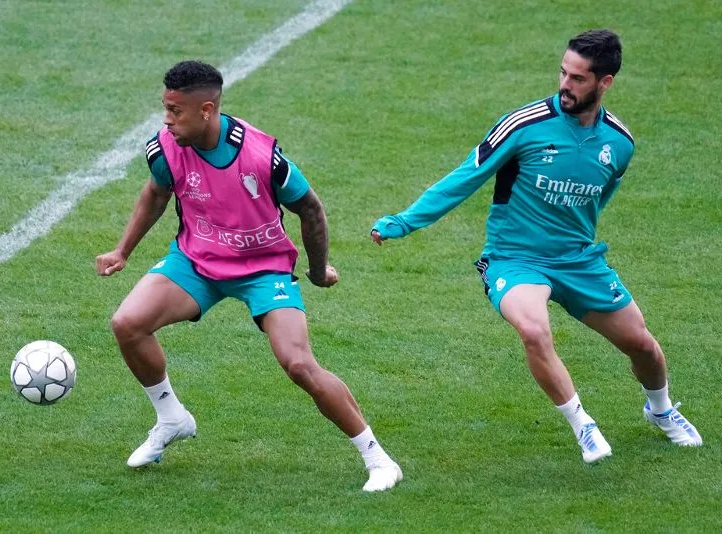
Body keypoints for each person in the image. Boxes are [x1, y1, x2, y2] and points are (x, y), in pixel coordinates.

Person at [371, 29, 701, 463]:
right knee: (533, 330)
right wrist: (402, 222)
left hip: (578, 260)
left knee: (642, 345)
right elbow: (464, 178)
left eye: (578, 78)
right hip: (515, 259)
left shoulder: (619, 144)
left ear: (605, 82)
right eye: (563, 73)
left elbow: (599, 198)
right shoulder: (523, 126)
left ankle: (660, 410)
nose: (565, 84)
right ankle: (583, 425)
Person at [96, 60, 402, 491]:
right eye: (165, 108)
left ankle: (379, 460)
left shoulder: (261, 157)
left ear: (206, 110)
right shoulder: (164, 149)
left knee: (298, 364)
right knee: (128, 323)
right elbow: (156, 193)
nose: (166, 119)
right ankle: (171, 418)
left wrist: (317, 271)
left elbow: (310, 208)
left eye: (175, 111)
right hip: (198, 261)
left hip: (263, 268)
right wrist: (122, 250)